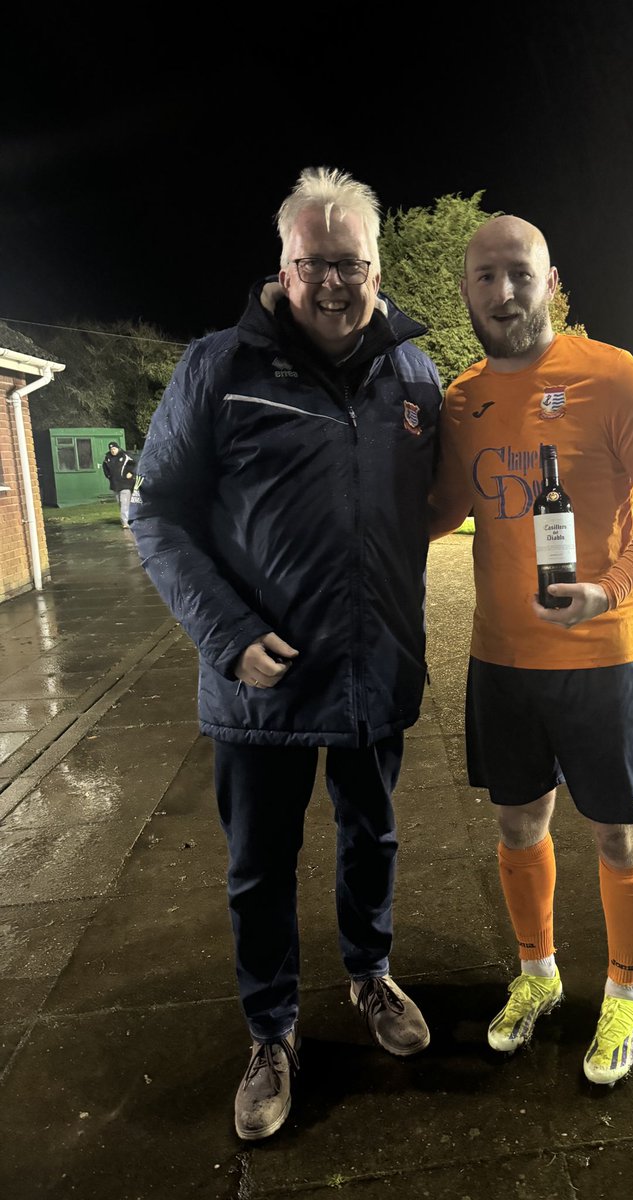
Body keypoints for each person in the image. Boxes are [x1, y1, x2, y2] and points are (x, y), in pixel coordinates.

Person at [130, 167, 442, 1140]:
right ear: (283, 265)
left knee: (372, 838)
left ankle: (370, 975)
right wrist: (225, 634)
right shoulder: (219, 367)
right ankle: (271, 1033)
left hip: (373, 669)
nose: (333, 282)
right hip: (260, 679)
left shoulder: (415, 375)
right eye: (314, 263)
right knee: (259, 866)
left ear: (378, 268)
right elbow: (157, 515)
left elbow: (433, 505)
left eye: (351, 263)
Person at [428, 215, 633, 1086]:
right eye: (485, 277)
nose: (503, 292)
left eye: (520, 274)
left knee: (619, 832)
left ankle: (624, 991)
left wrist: (610, 588)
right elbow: (442, 509)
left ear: (551, 283)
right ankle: (538, 974)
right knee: (517, 824)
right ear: (467, 290)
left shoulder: (611, 376)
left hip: (601, 659)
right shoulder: (462, 397)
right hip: (501, 660)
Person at [101, 441, 136, 528]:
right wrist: (109, 476)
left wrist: (131, 473)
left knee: (124, 503)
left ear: (118, 448)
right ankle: (129, 519)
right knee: (120, 503)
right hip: (115, 485)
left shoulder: (125, 456)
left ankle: (125, 522)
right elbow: (105, 468)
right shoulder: (107, 458)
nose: (113, 450)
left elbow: (135, 463)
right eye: (111, 449)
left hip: (126, 484)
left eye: (114, 449)